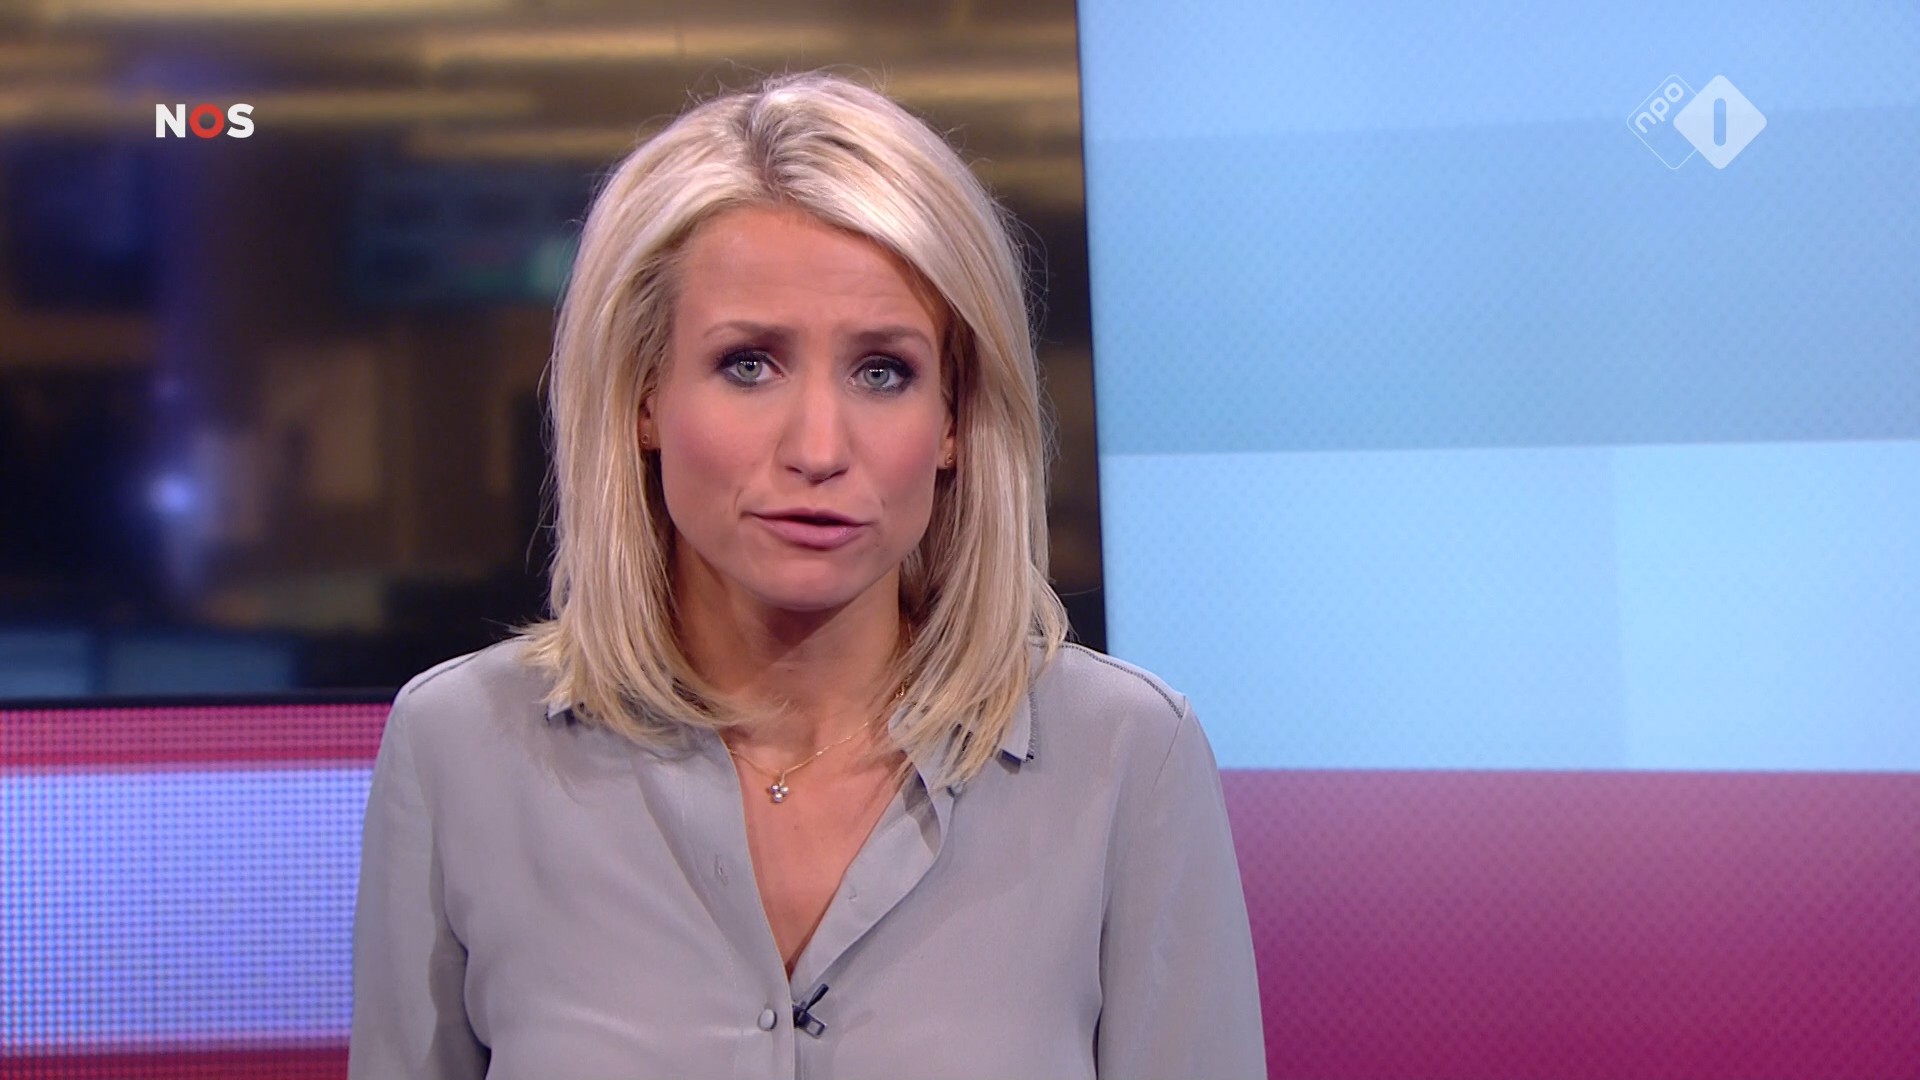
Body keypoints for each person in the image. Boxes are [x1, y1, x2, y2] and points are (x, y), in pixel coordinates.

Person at [349, 71, 1264, 1079]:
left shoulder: (1127, 757)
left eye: (883, 371)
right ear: (644, 396)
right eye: (749, 364)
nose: (819, 449)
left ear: (954, 420)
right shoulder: (459, 749)